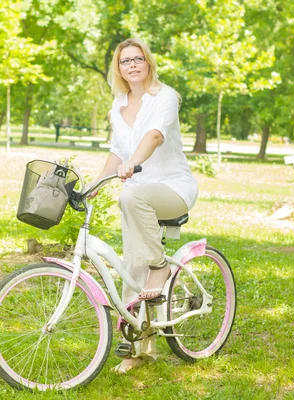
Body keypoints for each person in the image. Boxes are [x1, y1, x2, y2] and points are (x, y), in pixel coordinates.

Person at [88, 38, 198, 373]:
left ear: (148, 63)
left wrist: (133, 164)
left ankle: (161, 266)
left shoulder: (164, 97)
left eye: (138, 59)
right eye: (125, 61)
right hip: (135, 197)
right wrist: (95, 182)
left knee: (132, 207)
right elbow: (116, 152)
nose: (132, 65)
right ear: (118, 68)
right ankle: (139, 349)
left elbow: (154, 136)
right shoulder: (117, 106)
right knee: (132, 266)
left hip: (172, 187)